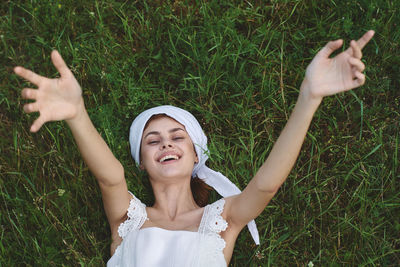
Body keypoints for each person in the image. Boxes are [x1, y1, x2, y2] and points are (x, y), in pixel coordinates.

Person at [14, 30, 375, 266]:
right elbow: (110, 178)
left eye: (177, 136)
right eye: (152, 140)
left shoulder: (223, 220)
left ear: (197, 154)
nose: (165, 143)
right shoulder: (128, 218)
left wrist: (308, 97)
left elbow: (266, 185)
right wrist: (77, 114)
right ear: (141, 161)